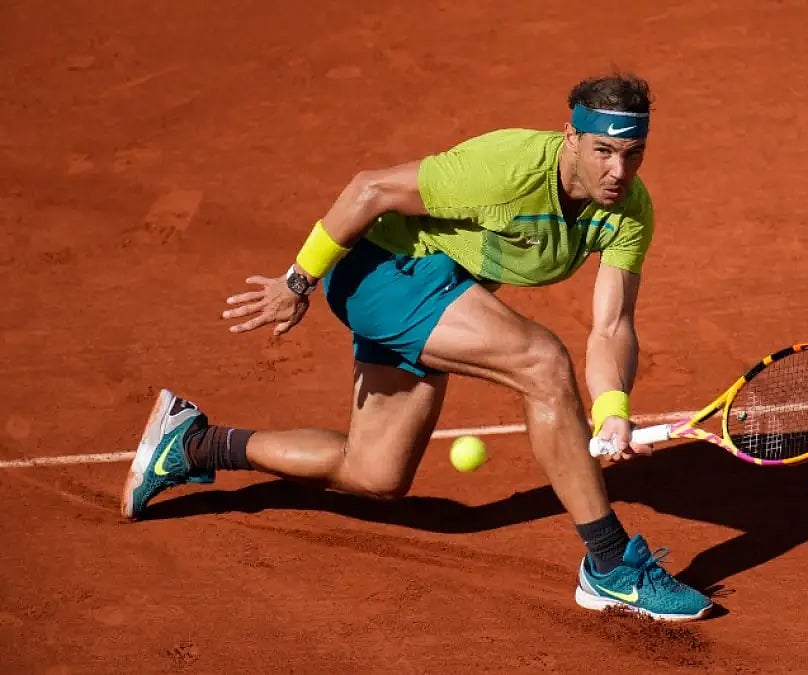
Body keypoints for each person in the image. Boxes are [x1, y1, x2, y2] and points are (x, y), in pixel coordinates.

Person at [120, 73, 712, 621]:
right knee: (542, 363)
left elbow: (612, 326)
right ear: (571, 138)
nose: (617, 170)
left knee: (374, 473)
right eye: (603, 151)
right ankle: (608, 566)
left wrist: (612, 409)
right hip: (385, 273)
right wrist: (296, 282)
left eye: (632, 154)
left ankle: (194, 445)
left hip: (444, 287)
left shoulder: (628, 211)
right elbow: (369, 187)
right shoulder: (505, 167)